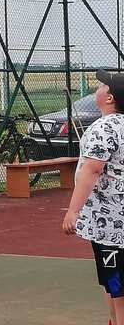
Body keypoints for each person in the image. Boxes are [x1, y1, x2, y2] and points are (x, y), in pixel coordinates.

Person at [63, 70, 124, 325]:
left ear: (109, 98)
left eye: (101, 86)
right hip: (112, 221)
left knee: (118, 285)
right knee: (113, 283)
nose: (96, 88)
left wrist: (73, 210)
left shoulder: (104, 127)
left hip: (111, 223)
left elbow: (92, 168)